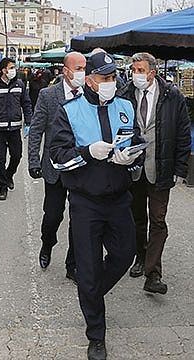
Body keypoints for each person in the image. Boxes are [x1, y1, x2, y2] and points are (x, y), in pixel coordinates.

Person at [49, 51, 145, 360]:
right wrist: (88, 151)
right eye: (105, 78)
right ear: (89, 80)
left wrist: (131, 156)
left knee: (125, 254)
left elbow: (137, 143)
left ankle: (90, 296)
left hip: (119, 199)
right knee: (88, 270)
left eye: (114, 77)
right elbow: (57, 157)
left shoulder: (125, 107)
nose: (111, 83)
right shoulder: (70, 111)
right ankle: (96, 334)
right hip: (85, 203)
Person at [117, 52, 191, 295]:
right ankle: (140, 256)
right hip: (134, 169)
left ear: (152, 73)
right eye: (133, 70)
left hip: (161, 169)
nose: (135, 74)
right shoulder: (125, 93)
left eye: (140, 70)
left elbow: (182, 134)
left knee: (158, 220)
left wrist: (180, 169)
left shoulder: (172, 96)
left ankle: (153, 274)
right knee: (137, 218)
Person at [28, 52, 86, 284]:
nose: (83, 72)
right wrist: (33, 160)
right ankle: (47, 243)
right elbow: (36, 130)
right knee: (53, 215)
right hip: (54, 168)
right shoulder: (48, 95)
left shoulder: (89, 95)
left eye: (85, 68)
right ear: (66, 71)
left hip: (81, 168)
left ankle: (73, 264)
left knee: (79, 219)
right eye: (79, 68)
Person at [0, 57, 33, 201]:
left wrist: (28, 123)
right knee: (0, 160)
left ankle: (9, 175)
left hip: (14, 128)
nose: (14, 70)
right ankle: (2, 187)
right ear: (3, 70)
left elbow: (26, 104)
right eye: (11, 67)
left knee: (17, 156)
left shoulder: (19, 84)